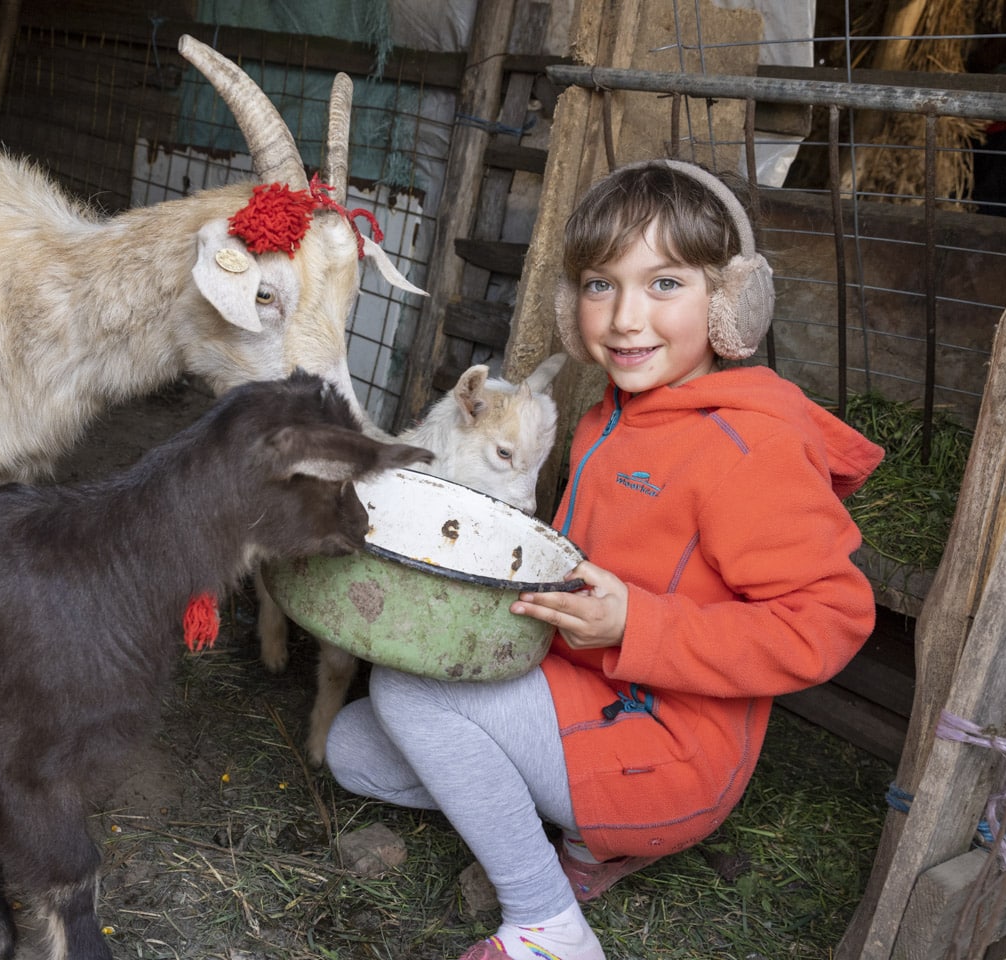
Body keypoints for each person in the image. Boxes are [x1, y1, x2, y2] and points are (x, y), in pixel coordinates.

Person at [324, 158, 885, 960]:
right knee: (353, 749)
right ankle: (593, 844)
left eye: (665, 285)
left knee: (409, 692)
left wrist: (638, 625)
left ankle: (549, 925)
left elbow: (828, 622)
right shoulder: (608, 419)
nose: (625, 317)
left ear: (729, 303)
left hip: (668, 748)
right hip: (580, 694)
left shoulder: (748, 445)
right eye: (599, 285)